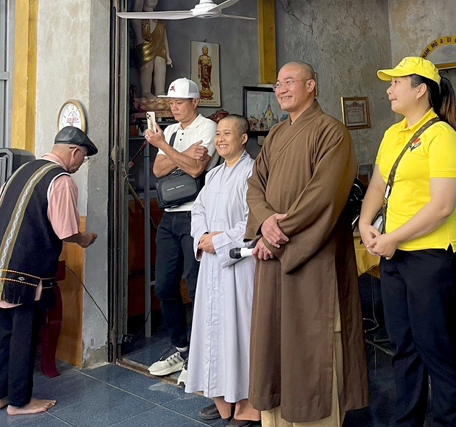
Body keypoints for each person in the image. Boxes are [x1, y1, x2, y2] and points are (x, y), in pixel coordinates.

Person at [245, 61, 369, 426]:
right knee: (274, 339)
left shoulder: (332, 132)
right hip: (274, 253)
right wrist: (264, 222)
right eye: (277, 84)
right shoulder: (275, 135)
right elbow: (254, 185)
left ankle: (315, 418)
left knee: (312, 337)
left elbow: (324, 196)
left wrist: (276, 236)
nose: (281, 89)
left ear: (311, 85)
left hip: (313, 256)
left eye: (289, 82)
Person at [358, 56, 456, 427]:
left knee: (438, 350)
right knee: (403, 347)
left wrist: (393, 237)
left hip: (432, 257)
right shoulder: (393, 134)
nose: (389, 90)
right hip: (396, 256)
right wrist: (365, 223)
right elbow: (378, 185)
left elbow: (441, 207)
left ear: (421, 90)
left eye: (396, 83)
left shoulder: (441, 136)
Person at [0, 126, 98, 415]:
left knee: (1, 335)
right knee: (23, 336)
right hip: (26, 274)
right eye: (83, 157)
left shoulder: (19, 172)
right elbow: (66, 230)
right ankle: (19, 402)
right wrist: (84, 238)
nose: (80, 164)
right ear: (74, 152)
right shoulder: (60, 179)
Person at [187, 115, 260, 427]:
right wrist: (202, 237)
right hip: (211, 264)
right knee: (213, 329)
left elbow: (254, 219)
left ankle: (247, 405)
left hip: (238, 264)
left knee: (239, 331)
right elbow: (198, 209)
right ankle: (222, 397)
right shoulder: (213, 174)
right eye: (218, 134)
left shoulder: (253, 172)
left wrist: (219, 241)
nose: (220, 139)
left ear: (243, 139)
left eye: (227, 133)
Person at [145, 77, 218, 378]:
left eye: (179, 102)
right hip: (169, 215)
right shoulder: (173, 131)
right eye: (171, 102)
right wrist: (184, 155)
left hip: (195, 215)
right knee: (164, 285)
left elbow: (197, 169)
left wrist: (164, 147)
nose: (174, 107)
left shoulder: (207, 127)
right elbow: (157, 170)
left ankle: (200, 355)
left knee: (195, 283)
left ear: (195, 102)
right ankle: (182, 348)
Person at [132, 0, 172, 97]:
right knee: (147, 68)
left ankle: (160, 92)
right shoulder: (140, 18)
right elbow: (136, 10)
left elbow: (164, 39)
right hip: (146, 47)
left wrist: (168, 56)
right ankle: (146, 92)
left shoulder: (160, 20)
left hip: (160, 47)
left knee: (161, 67)